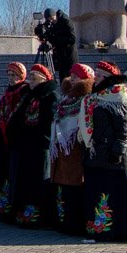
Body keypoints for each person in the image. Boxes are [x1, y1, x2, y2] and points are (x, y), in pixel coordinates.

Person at [81, 60, 127, 242]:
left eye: (99, 75)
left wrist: (117, 150)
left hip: (113, 158)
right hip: (96, 154)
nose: (95, 78)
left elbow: (125, 129)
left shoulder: (119, 97)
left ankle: (113, 230)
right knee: (97, 191)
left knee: (111, 193)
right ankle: (97, 229)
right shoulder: (97, 97)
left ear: (108, 78)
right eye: (95, 74)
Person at [9, 63, 57, 228]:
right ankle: (25, 213)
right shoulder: (27, 96)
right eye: (30, 78)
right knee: (26, 181)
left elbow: (49, 121)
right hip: (25, 145)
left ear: (43, 80)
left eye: (34, 78)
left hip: (40, 145)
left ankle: (40, 215)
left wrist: (42, 139)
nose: (30, 81)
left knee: (39, 180)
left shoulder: (50, 96)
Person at [50, 63, 94, 236]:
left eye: (77, 75)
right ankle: (64, 221)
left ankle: (75, 223)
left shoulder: (86, 99)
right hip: (62, 150)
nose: (73, 78)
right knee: (64, 187)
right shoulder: (66, 99)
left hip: (75, 149)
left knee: (75, 185)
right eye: (72, 75)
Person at [0, 62, 32, 224]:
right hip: (3, 137)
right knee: (3, 176)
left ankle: (16, 210)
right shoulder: (7, 92)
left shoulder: (24, 91)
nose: (11, 78)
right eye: (9, 75)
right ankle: (5, 210)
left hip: (15, 139)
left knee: (14, 175)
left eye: (14, 75)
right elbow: (1, 117)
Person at [35, 9, 76, 77]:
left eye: (52, 18)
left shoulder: (66, 21)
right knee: (62, 79)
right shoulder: (53, 24)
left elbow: (72, 39)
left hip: (68, 57)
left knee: (69, 80)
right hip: (60, 57)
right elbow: (52, 38)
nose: (51, 20)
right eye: (49, 19)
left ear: (55, 15)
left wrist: (54, 39)